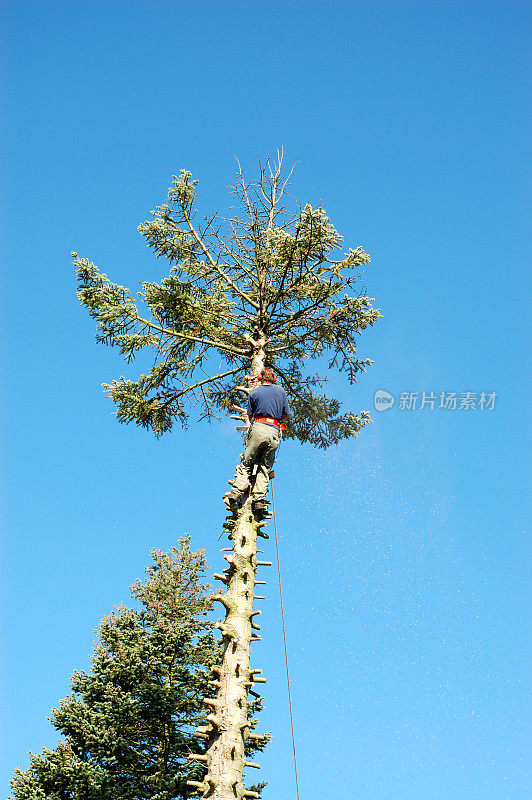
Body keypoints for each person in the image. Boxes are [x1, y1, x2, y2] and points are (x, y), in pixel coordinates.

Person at [224, 368, 291, 513]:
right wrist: (277, 420)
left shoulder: (254, 392)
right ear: (274, 379)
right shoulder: (281, 392)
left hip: (258, 427)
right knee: (264, 466)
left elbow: (250, 416)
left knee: (248, 462)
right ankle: (259, 500)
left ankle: (236, 493)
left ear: (260, 378)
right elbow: (286, 414)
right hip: (273, 430)